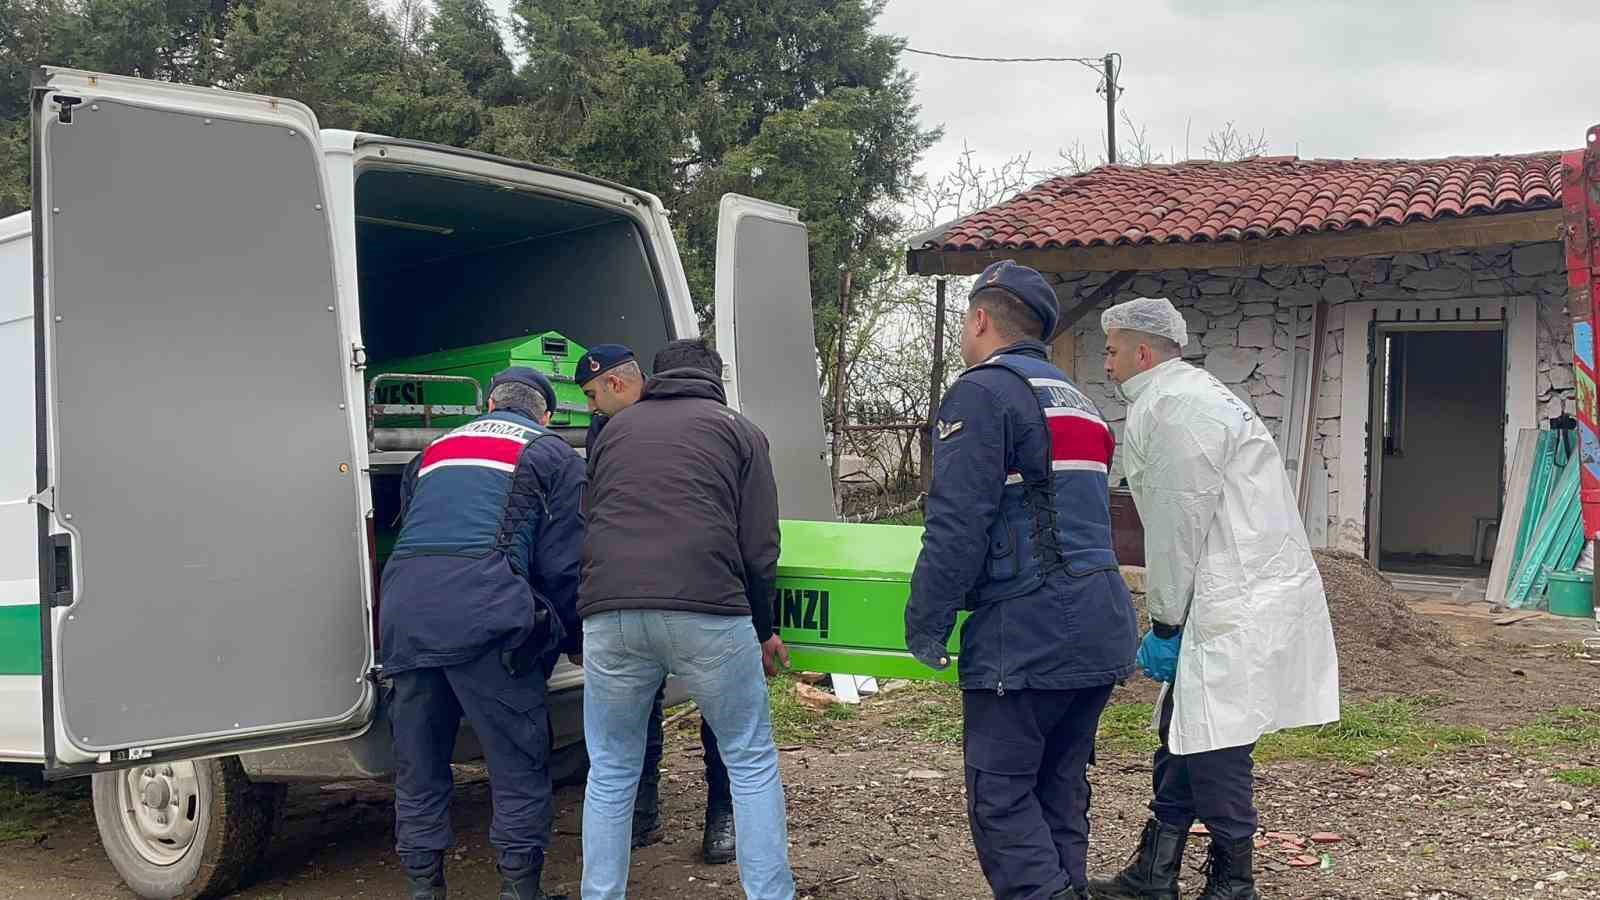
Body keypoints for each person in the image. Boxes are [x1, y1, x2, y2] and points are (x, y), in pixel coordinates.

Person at [904, 260, 1139, 900]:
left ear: (980, 318)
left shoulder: (982, 392)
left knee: (1001, 797)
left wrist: (925, 621)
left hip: (1028, 629)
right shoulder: (1079, 399)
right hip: (1101, 624)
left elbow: (958, 521)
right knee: (1058, 788)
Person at [1090, 297, 1339, 900]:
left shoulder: (1175, 407)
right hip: (1235, 589)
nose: (1106, 361)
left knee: (1217, 742)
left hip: (1230, 596)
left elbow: (1179, 521)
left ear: (1143, 351)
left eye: (1113, 349)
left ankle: (1235, 883)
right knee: (1186, 729)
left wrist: (1166, 622)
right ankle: (1155, 874)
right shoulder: (1191, 396)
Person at [577, 338, 793, 900]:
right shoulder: (740, 432)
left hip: (610, 614)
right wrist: (764, 626)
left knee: (611, 770)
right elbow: (759, 547)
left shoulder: (611, 434)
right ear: (716, 381)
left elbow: (591, 521)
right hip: (707, 610)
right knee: (749, 760)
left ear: (655, 378)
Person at [380, 367, 586, 900]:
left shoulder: (432, 451)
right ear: (545, 414)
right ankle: (521, 891)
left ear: (488, 404)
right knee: (518, 765)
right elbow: (563, 565)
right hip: (486, 617)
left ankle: (424, 890)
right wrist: (577, 639)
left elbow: (412, 528)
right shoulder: (552, 454)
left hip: (406, 616)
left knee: (419, 767)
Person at [574, 342, 738, 863]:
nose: (592, 407)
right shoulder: (607, 431)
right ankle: (649, 812)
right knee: (649, 704)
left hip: (687, 586)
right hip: (653, 589)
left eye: (594, 394)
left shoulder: (717, 425)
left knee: (705, 707)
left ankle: (716, 816)